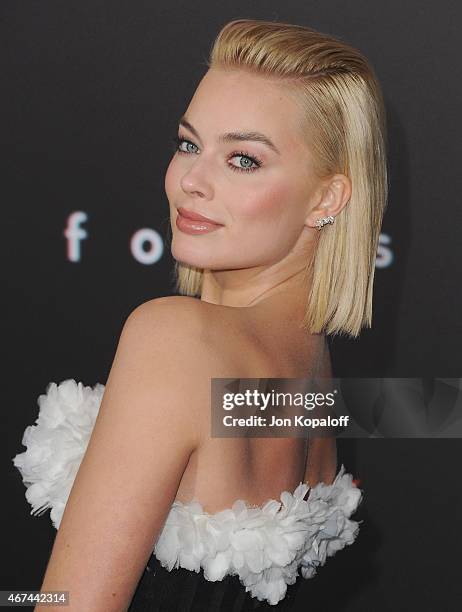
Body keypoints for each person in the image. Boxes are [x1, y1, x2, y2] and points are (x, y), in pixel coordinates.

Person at [12, 17, 387, 611]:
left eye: (242, 160)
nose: (191, 181)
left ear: (326, 198)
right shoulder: (312, 368)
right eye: (189, 144)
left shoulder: (176, 339)